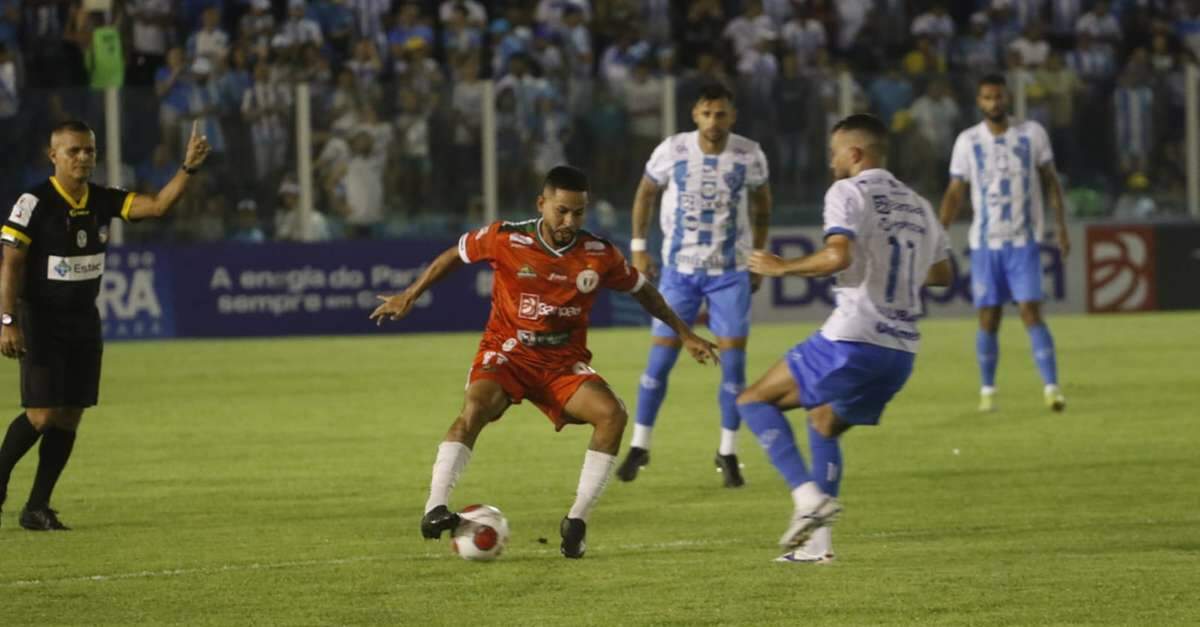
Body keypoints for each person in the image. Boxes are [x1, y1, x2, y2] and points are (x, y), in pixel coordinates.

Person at [370, 165, 718, 559]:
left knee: (612, 415)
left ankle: (577, 521)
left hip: (561, 364)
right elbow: (456, 254)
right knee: (476, 407)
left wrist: (685, 333)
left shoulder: (598, 254)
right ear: (542, 204)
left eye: (578, 212)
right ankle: (434, 507)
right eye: (562, 211)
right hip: (508, 353)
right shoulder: (506, 237)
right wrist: (410, 295)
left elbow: (642, 290)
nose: (570, 221)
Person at [737, 113, 952, 563]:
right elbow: (943, 272)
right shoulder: (919, 204)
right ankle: (818, 546)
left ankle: (806, 498)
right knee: (824, 422)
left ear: (855, 154)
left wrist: (784, 267)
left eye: (835, 151)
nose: (830, 160)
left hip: (853, 338)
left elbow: (838, 254)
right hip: (901, 352)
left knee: (752, 401)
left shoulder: (848, 191)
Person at [0, 119, 211, 530]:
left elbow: (157, 207)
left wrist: (187, 169)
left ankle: (37, 507)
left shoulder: (101, 199)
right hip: (40, 319)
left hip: (83, 321)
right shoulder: (34, 202)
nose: (83, 158)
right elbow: (11, 264)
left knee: (70, 415)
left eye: (89, 151)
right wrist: (7, 320)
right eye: (74, 151)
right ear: (53, 155)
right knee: (42, 415)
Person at [617, 83, 771, 488]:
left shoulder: (750, 154)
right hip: (679, 272)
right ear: (695, 115)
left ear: (731, 117)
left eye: (721, 114)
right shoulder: (673, 150)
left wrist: (758, 254)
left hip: (730, 272)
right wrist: (637, 248)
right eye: (707, 114)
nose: (714, 121)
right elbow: (645, 194)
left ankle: (728, 452)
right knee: (658, 364)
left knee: (734, 367)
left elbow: (762, 205)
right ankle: (640, 445)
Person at [939, 74, 1069, 413]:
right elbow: (955, 192)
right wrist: (939, 233)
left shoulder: (1032, 134)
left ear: (1007, 99)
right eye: (987, 98)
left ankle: (1052, 388)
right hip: (985, 244)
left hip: (1023, 240)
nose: (993, 103)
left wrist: (1062, 226)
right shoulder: (967, 141)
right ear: (979, 102)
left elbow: (1051, 181)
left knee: (1030, 311)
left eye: (998, 97)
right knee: (989, 316)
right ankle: (988, 391)